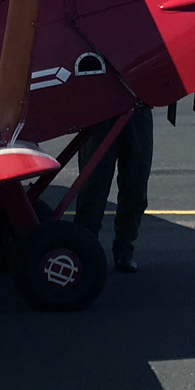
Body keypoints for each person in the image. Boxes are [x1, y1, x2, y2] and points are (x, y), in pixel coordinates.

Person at [73, 104, 154, 273]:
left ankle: (124, 248)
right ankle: (85, 248)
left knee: (136, 185)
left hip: (139, 108)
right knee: (93, 185)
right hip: (102, 109)